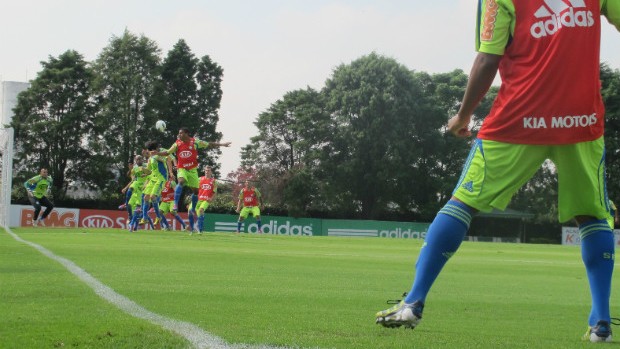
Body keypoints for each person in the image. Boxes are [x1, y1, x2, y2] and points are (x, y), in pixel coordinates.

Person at [375, 0, 620, 343]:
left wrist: (463, 116)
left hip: (517, 118)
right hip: (580, 119)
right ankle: (602, 324)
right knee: (593, 215)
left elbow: (488, 57)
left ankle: (413, 301)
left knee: (462, 202)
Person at [152, 127, 231, 217]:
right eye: (179, 133)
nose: (179, 135)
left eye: (181, 133)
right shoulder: (177, 144)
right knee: (181, 181)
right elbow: (167, 152)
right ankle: (175, 204)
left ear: (187, 134)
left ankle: (193, 207)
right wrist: (157, 153)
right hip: (182, 169)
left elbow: (209, 144)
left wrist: (222, 144)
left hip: (192, 170)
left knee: (196, 192)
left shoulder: (195, 142)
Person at [141, 140, 175, 230]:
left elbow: (168, 159)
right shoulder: (150, 159)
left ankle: (158, 216)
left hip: (161, 179)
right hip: (153, 179)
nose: (146, 152)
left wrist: (171, 172)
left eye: (147, 150)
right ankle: (144, 218)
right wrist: (143, 171)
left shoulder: (157, 156)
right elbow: (148, 171)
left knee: (153, 197)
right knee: (146, 198)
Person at [194, 166, 218, 234]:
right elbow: (196, 189)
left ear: (211, 172)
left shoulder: (214, 181)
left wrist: (211, 198)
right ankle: (201, 229)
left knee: (201, 210)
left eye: (209, 170)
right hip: (199, 199)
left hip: (206, 200)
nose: (207, 172)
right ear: (204, 171)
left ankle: (200, 229)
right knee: (199, 214)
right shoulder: (199, 179)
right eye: (206, 170)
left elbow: (215, 192)